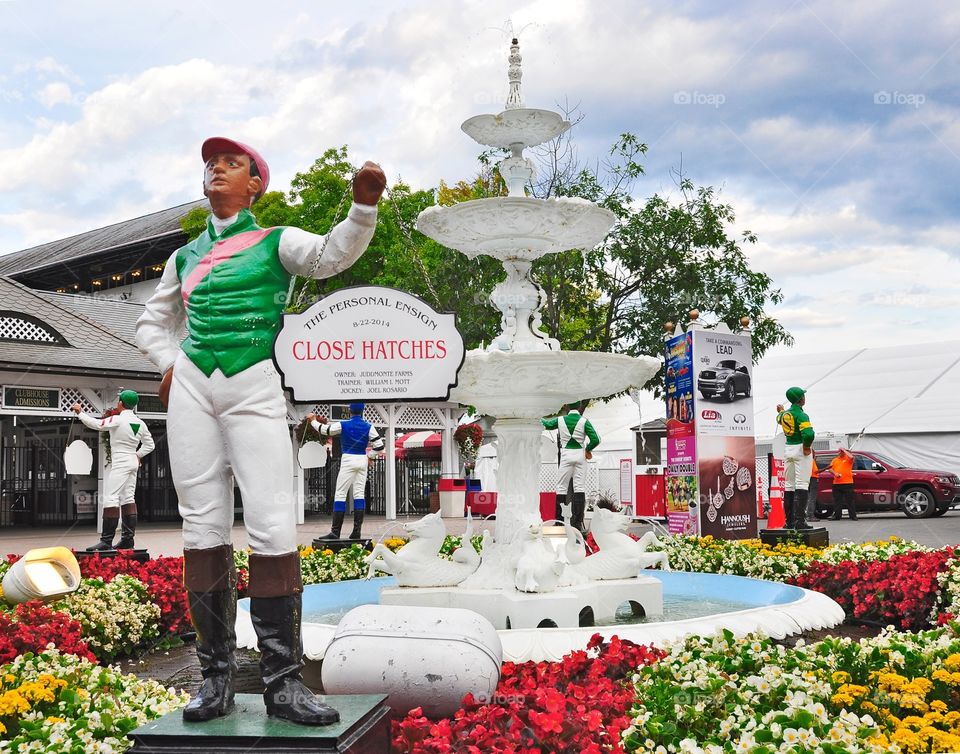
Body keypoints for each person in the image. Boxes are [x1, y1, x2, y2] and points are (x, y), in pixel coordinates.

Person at [135, 136, 385, 726]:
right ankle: (214, 678)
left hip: (252, 381)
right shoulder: (184, 256)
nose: (217, 168)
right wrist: (169, 362)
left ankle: (282, 683)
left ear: (255, 186)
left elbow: (330, 257)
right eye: (211, 163)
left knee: (272, 520)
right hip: (196, 383)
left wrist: (363, 209)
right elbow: (153, 320)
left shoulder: (278, 240)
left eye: (232, 163)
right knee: (201, 523)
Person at [73, 390, 154, 550]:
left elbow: (96, 424)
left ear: (121, 404)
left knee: (110, 497)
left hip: (121, 462)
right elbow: (150, 444)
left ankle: (106, 541)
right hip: (132, 461)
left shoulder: (117, 420)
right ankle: (127, 540)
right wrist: (138, 455)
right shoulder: (141, 423)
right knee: (128, 498)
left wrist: (80, 413)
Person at [307, 403, 384, 540]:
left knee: (340, 493)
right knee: (359, 493)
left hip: (348, 459)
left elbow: (326, 430)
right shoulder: (369, 426)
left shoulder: (343, 424)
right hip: (362, 459)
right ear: (362, 411)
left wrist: (313, 420)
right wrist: (370, 456)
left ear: (350, 411)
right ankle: (356, 532)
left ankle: (335, 532)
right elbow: (379, 446)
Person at [541, 403, 600, 532]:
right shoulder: (584, 421)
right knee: (579, 487)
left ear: (567, 406)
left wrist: (537, 416)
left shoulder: (560, 420)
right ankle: (577, 522)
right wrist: (588, 449)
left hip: (566, 455)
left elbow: (547, 424)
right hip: (580, 455)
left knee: (561, 487)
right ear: (579, 407)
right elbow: (596, 439)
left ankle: (559, 522)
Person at [775, 387, 815, 530]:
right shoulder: (802, 416)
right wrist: (807, 446)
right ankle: (800, 521)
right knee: (802, 484)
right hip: (800, 449)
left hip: (788, 449)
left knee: (789, 485)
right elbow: (809, 434)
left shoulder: (785, 415)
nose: (804, 397)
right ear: (800, 399)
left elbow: (779, 417)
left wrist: (781, 410)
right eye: (803, 396)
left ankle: (789, 522)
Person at [828, 447, 857, 520]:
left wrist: (844, 450)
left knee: (850, 500)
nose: (839, 453)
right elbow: (830, 469)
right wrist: (835, 473)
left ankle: (853, 516)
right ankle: (837, 516)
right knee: (837, 501)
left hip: (848, 483)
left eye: (840, 452)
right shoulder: (835, 460)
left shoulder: (848, 459)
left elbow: (851, 457)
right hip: (836, 483)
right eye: (838, 451)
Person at [806, 456, 820, 522]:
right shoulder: (811, 460)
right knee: (812, 498)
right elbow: (816, 471)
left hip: (807, 478)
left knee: (808, 497)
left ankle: (807, 514)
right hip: (813, 478)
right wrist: (826, 468)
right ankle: (810, 515)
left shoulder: (806, 460)